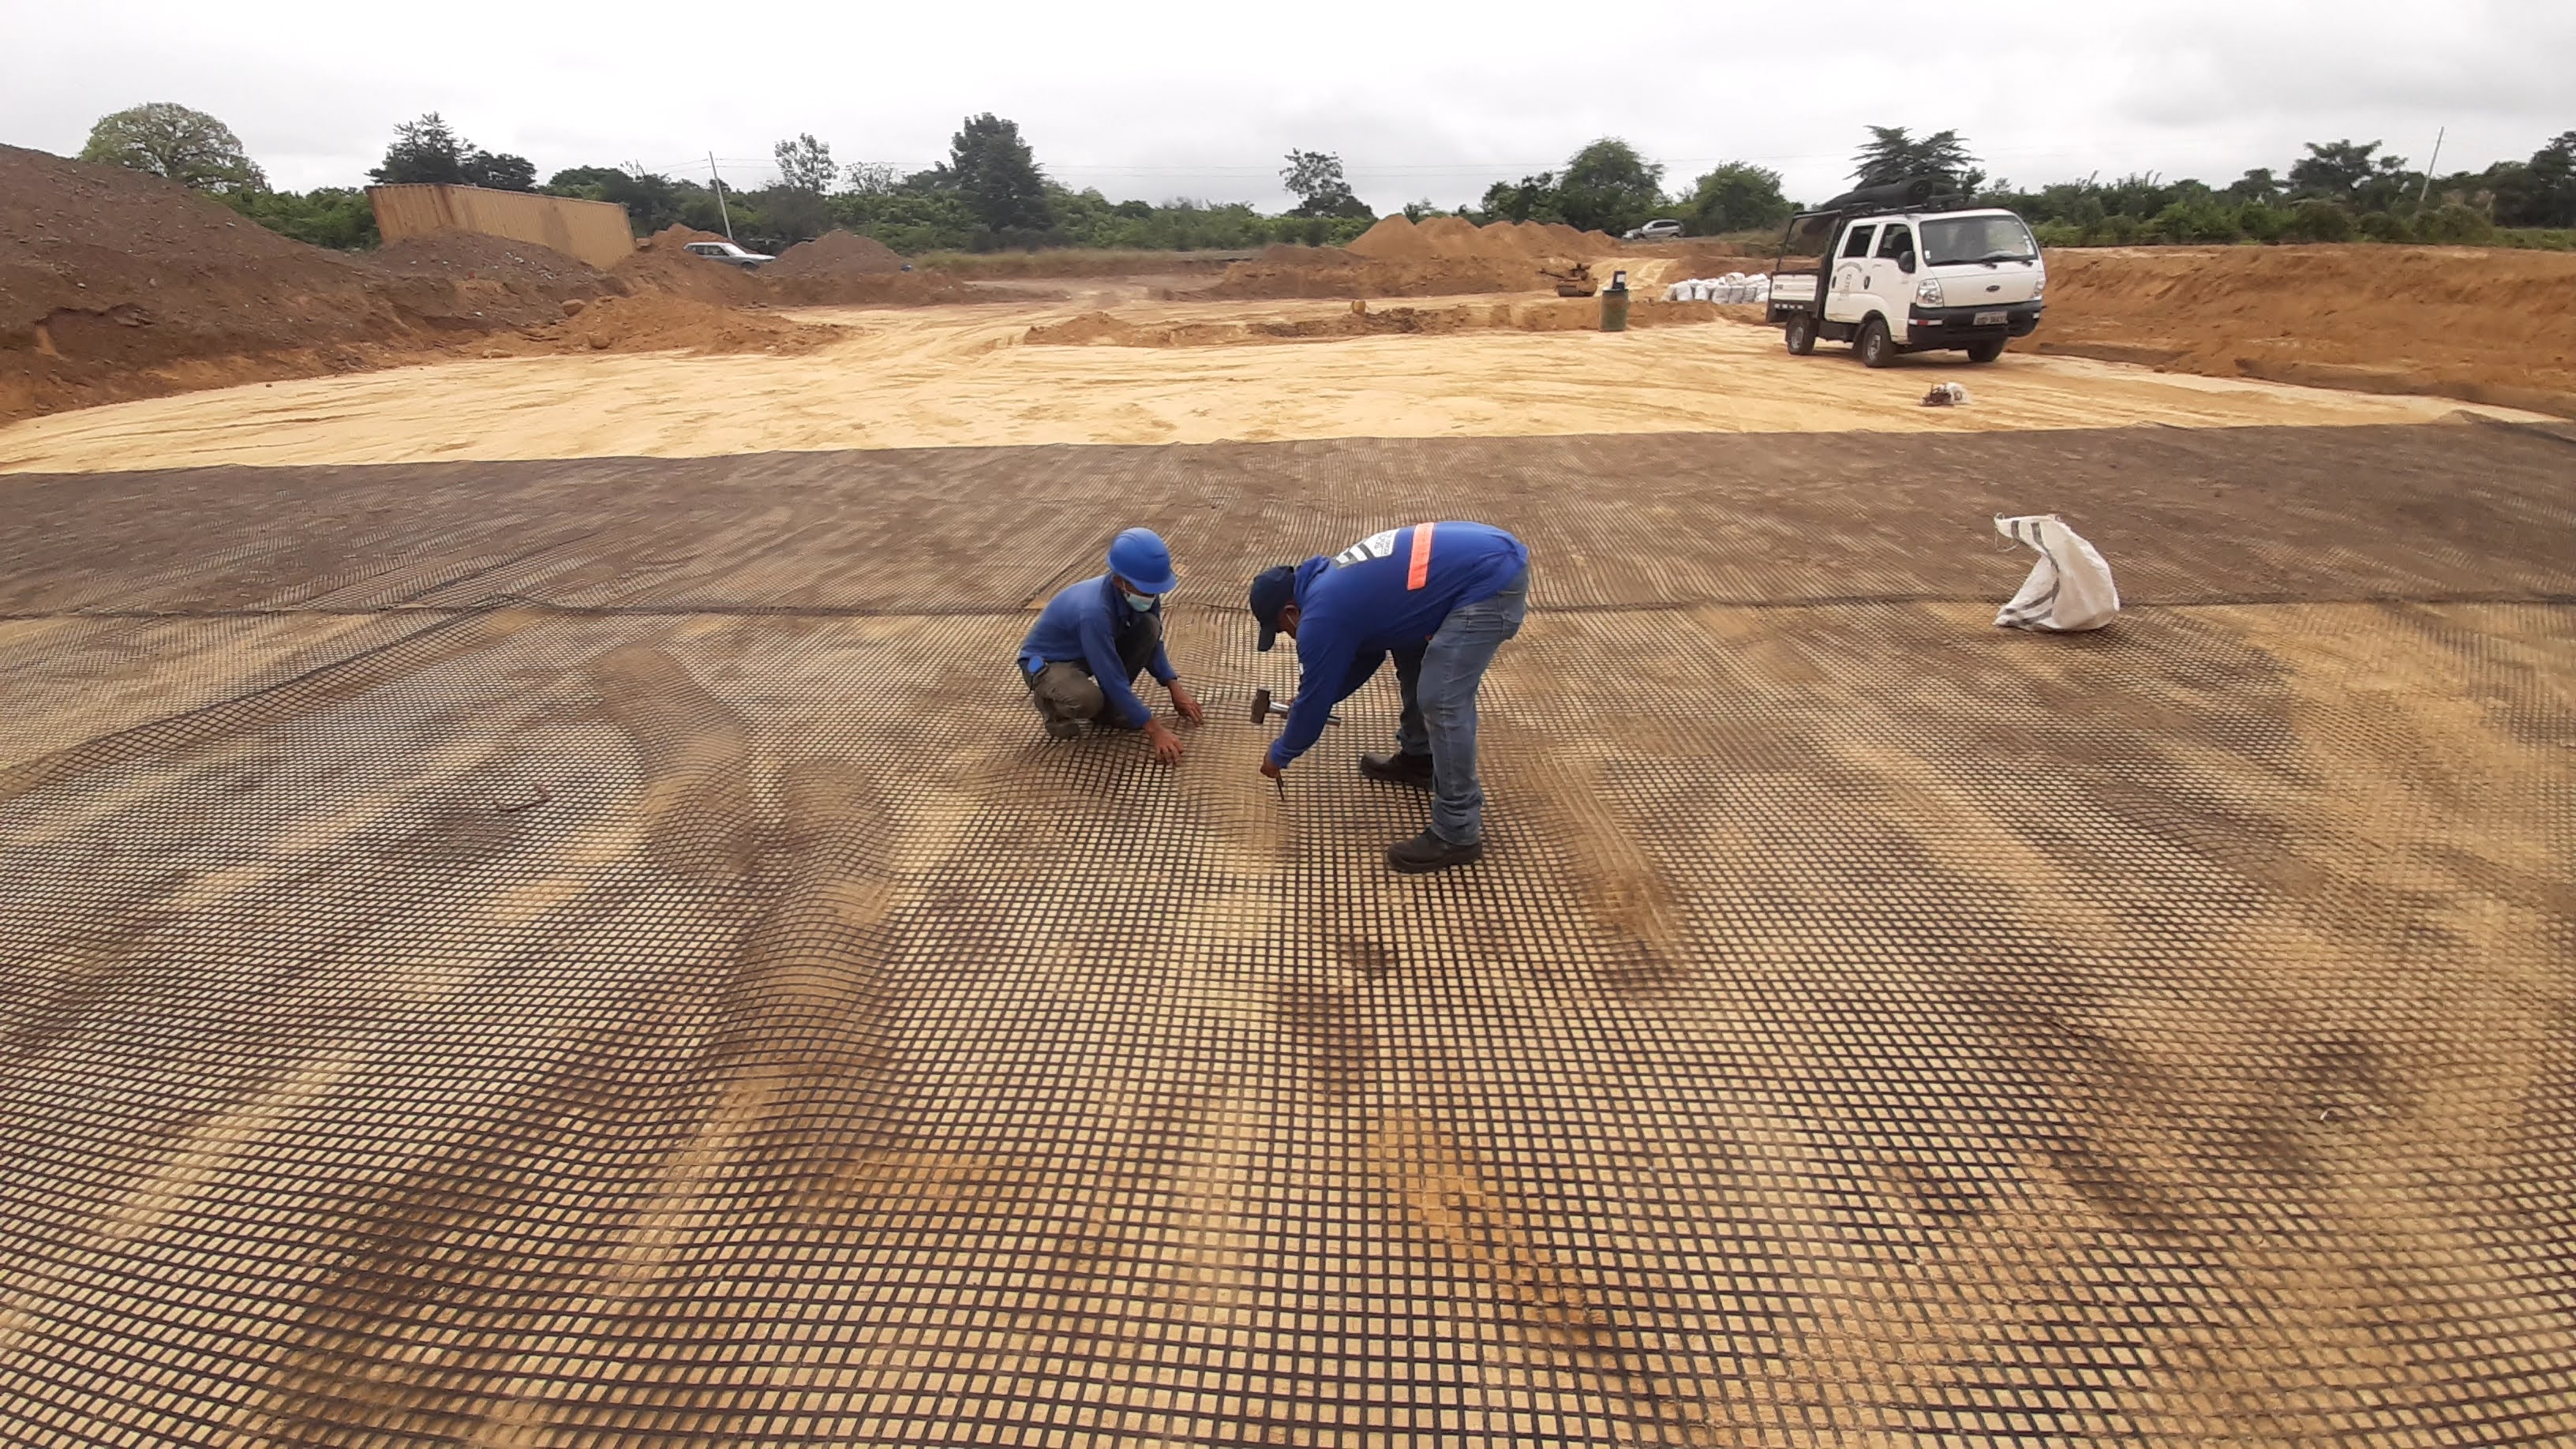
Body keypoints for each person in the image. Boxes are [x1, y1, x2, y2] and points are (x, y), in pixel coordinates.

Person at [1248, 522, 1530, 873]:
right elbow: (1368, 654)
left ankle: (1458, 831)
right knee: (1410, 652)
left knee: (1442, 698)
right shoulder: (1330, 584)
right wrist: (1314, 699)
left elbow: (1315, 704)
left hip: (1488, 585)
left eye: (1283, 631)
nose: (1291, 637)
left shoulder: (1320, 616)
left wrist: (1280, 753)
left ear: (1291, 611)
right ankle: (1419, 759)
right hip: (1482, 558)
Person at [1019, 528, 1204, 761]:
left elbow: (1154, 643)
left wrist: (1174, 688)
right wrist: (1155, 729)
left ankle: (1110, 711)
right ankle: (1052, 705)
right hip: (1047, 663)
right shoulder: (1093, 612)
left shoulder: (1141, 592)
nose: (1152, 596)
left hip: (1088, 650)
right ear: (1119, 581)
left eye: (1156, 589)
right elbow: (1111, 675)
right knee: (1088, 700)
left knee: (1149, 626)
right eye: (1146, 590)